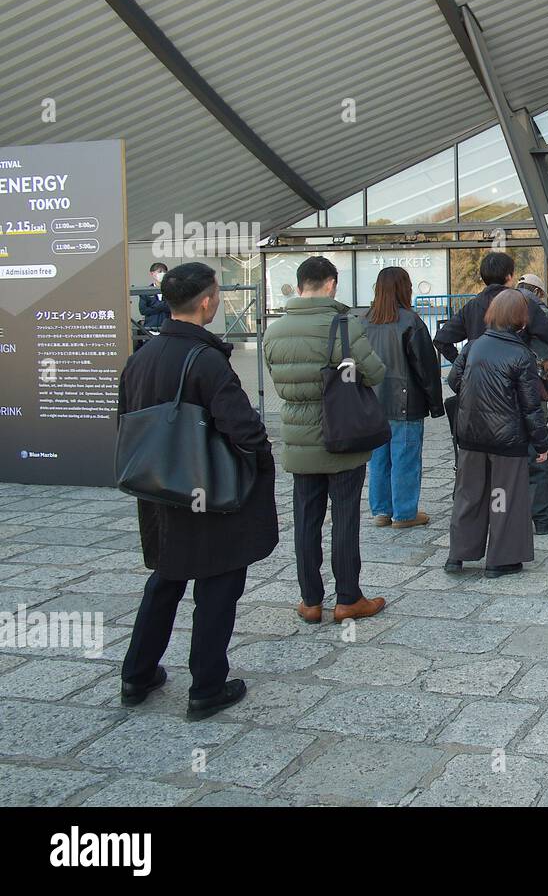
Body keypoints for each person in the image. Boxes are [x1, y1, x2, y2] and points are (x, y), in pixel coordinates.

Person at [117, 262, 277, 721]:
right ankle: (206, 685)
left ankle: (137, 674)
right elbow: (243, 429)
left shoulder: (140, 357)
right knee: (217, 585)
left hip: (158, 489)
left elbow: (126, 419)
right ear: (207, 301)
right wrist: (259, 461)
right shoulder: (205, 360)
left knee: (166, 579)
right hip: (207, 492)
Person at [264, 255, 388, 624]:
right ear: (331, 284)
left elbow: (279, 379)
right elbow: (375, 372)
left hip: (299, 441)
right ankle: (348, 598)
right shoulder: (344, 325)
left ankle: (310, 601)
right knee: (345, 518)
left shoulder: (275, 330)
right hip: (342, 437)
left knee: (306, 519)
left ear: (300, 284)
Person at [445, 290, 548, 578]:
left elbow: (454, 380)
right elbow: (531, 407)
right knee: (502, 496)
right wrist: (541, 444)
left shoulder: (473, 346)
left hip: (469, 434)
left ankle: (458, 554)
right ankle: (499, 559)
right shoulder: (521, 355)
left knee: (468, 495)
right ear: (520, 319)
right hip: (507, 439)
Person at [362, 266, 444, 529]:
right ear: (404, 288)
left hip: (372, 403)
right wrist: (435, 404)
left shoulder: (363, 321)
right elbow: (426, 368)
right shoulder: (411, 321)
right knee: (405, 458)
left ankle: (381, 510)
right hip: (406, 401)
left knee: (378, 460)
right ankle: (405, 512)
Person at [433, 251, 548, 366]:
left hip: (480, 383)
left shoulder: (471, 306)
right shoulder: (524, 303)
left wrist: (462, 364)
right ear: (509, 276)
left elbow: (441, 339)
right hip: (517, 382)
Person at [517, 272, 548, 534]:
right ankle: (544, 517)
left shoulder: (485, 305)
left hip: (494, 387)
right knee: (537, 439)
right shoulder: (534, 308)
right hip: (532, 378)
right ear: (536, 291)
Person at [138, 262, 172, 330]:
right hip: (150, 328)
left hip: (168, 328)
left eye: (164, 271)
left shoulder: (171, 290)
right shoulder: (146, 291)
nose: (162, 273)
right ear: (152, 274)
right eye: (159, 271)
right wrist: (163, 306)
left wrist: (153, 303)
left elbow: (172, 307)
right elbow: (143, 310)